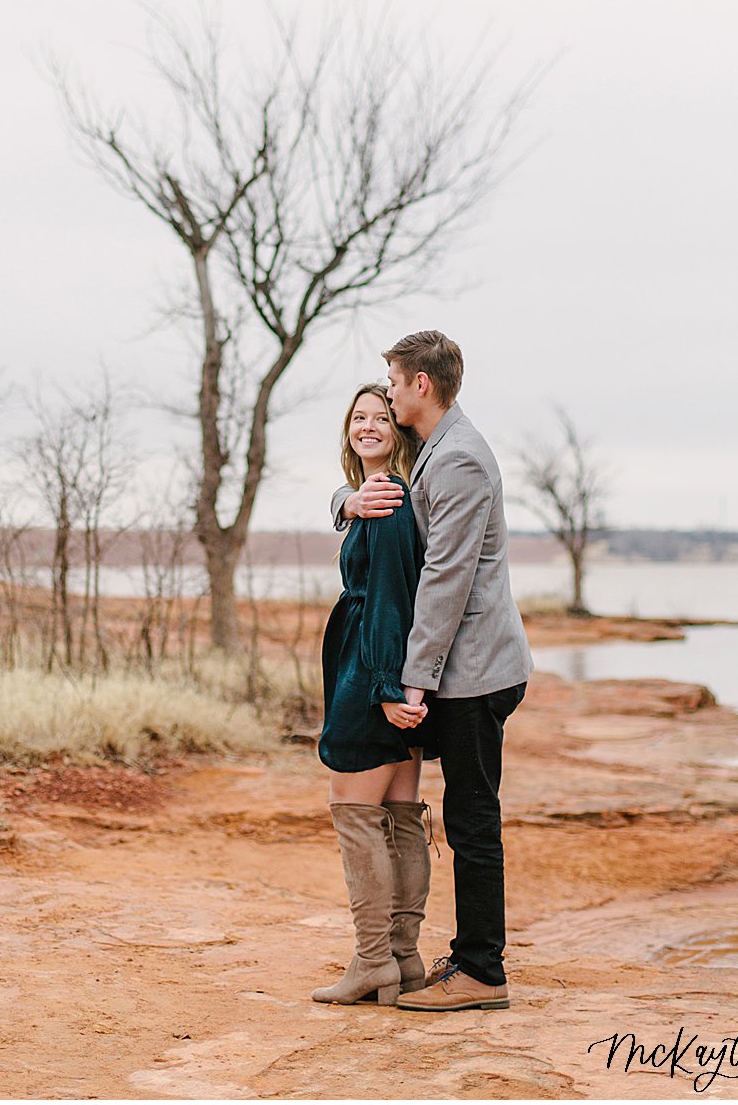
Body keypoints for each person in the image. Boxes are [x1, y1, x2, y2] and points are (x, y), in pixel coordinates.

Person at [332, 330, 532, 1013]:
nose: (387, 394)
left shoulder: (459, 458)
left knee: (472, 819)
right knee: (452, 812)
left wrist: (409, 681)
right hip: (459, 665)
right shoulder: (437, 451)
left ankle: (481, 970)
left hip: (475, 669)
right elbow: (378, 493)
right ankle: (440, 958)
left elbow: (446, 576)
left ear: (421, 383)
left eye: (393, 381)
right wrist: (343, 501)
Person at [311, 382, 435, 1007]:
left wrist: (385, 687)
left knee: (355, 813)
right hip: (394, 669)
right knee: (401, 814)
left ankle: (372, 961)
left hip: (372, 672)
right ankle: (404, 959)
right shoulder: (378, 495)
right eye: (358, 417)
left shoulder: (385, 499)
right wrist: (347, 502)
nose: (367, 426)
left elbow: (390, 600)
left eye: (381, 417)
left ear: (399, 428)